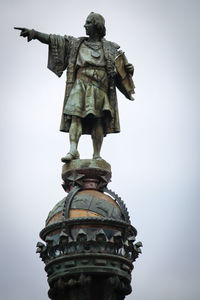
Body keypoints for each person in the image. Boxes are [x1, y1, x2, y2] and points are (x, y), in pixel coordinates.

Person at [15, 12, 135, 162]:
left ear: (97, 26)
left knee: (98, 120)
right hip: (80, 84)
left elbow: (121, 71)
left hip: (100, 87)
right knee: (75, 117)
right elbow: (54, 40)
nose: (85, 25)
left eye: (88, 23)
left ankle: (96, 154)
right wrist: (34, 33)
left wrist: (129, 69)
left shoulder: (111, 48)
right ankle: (73, 150)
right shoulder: (76, 44)